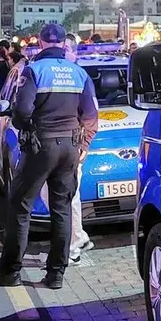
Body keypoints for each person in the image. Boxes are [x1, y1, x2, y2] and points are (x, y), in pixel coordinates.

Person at [0, 23, 98, 289]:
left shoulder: (34, 70)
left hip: (40, 146)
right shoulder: (79, 73)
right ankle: (56, 275)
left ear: (42, 42)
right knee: (62, 210)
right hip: (70, 147)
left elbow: (21, 112)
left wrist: (27, 128)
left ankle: (10, 272)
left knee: (20, 207)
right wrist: (84, 145)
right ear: (62, 43)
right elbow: (90, 116)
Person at [64, 34, 95, 264]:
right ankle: (78, 237)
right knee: (66, 195)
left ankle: (75, 244)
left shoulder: (81, 77)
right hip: (59, 147)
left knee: (70, 195)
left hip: (73, 147)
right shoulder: (60, 75)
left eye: (65, 48)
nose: (61, 52)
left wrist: (84, 145)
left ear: (74, 52)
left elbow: (92, 116)